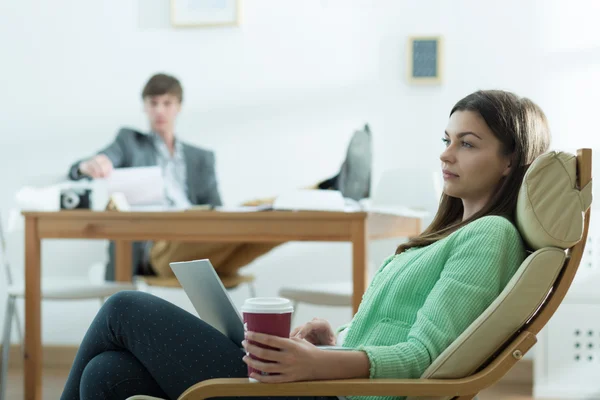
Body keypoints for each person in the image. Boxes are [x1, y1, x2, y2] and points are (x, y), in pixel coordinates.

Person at [60, 89, 551, 400]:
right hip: (326, 381)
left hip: (327, 391)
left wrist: (319, 365)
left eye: (467, 143)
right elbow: (396, 336)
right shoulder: (449, 236)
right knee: (106, 376)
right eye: (446, 139)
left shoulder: (490, 236)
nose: (446, 153)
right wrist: (333, 341)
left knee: (124, 308)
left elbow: (423, 358)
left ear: (511, 160)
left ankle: (328, 189)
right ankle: (328, 187)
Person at [67, 73, 373, 287]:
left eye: (167, 103)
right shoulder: (128, 141)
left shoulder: (200, 158)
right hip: (159, 251)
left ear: (179, 107)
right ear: (145, 107)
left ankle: (333, 192)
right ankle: (332, 187)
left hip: (203, 242)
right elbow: (85, 166)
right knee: (256, 212)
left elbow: (220, 212)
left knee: (270, 218)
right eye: (153, 103)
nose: (160, 110)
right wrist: (89, 165)